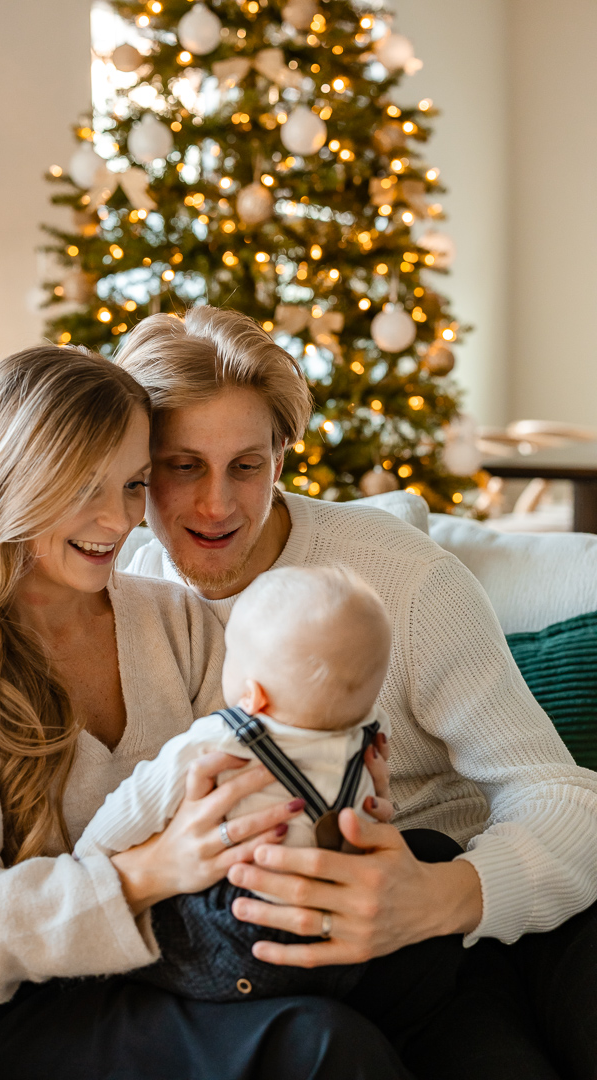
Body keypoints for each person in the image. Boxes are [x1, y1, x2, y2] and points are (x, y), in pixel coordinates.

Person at [0, 345, 410, 1080]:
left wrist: (339, 811)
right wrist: (147, 870)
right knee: (318, 1043)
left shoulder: (175, 620)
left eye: (133, 483)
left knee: (429, 939)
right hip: (28, 1013)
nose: (119, 519)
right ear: (8, 480)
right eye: (83, 486)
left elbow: (256, 772)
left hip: (190, 959)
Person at [116, 304, 597, 1080]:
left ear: (281, 457)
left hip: (455, 929)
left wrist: (444, 896)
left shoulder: (400, 578)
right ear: (138, 470)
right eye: (182, 466)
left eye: (246, 465)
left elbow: (562, 795)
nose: (216, 505)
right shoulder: (116, 603)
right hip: (275, 977)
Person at [75, 564, 464, 1025]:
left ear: (253, 695)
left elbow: (131, 808)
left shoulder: (219, 741)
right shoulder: (369, 734)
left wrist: (88, 861)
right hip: (341, 950)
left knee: (130, 952)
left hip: (243, 949)